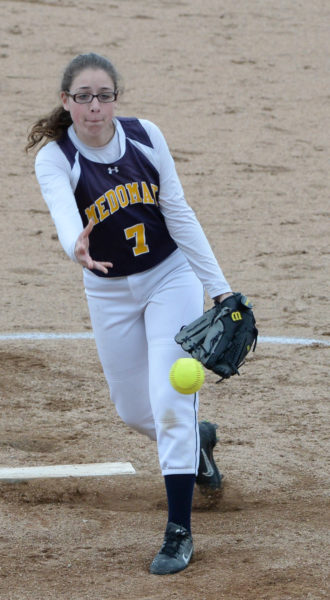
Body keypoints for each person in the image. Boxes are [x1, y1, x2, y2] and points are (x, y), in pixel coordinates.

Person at [26, 52, 233, 575]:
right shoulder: (55, 156)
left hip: (171, 277)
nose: (94, 107)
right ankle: (198, 447)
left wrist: (221, 291)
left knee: (169, 401)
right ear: (66, 101)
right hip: (108, 290)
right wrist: (74, 245)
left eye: (104, 96)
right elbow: (60, 206)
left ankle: (179, 530)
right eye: (83, 97)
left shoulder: (145, 136)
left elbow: (179, 212)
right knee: (132, 411)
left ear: (116, 98)